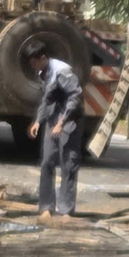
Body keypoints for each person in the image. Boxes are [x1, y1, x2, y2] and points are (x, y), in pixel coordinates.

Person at [25, 44, 82, 224]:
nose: (33, 67)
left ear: (43, 58)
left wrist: (61, 123)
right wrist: (38, 121)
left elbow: (75, 97)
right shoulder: (43, 72)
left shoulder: (62, 72)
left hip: (70, 118)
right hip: (53, 118)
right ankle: (46, 206)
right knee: (47, 161)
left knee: (68, 163)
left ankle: (66, 210)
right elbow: (47, 99)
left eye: (35, 63)